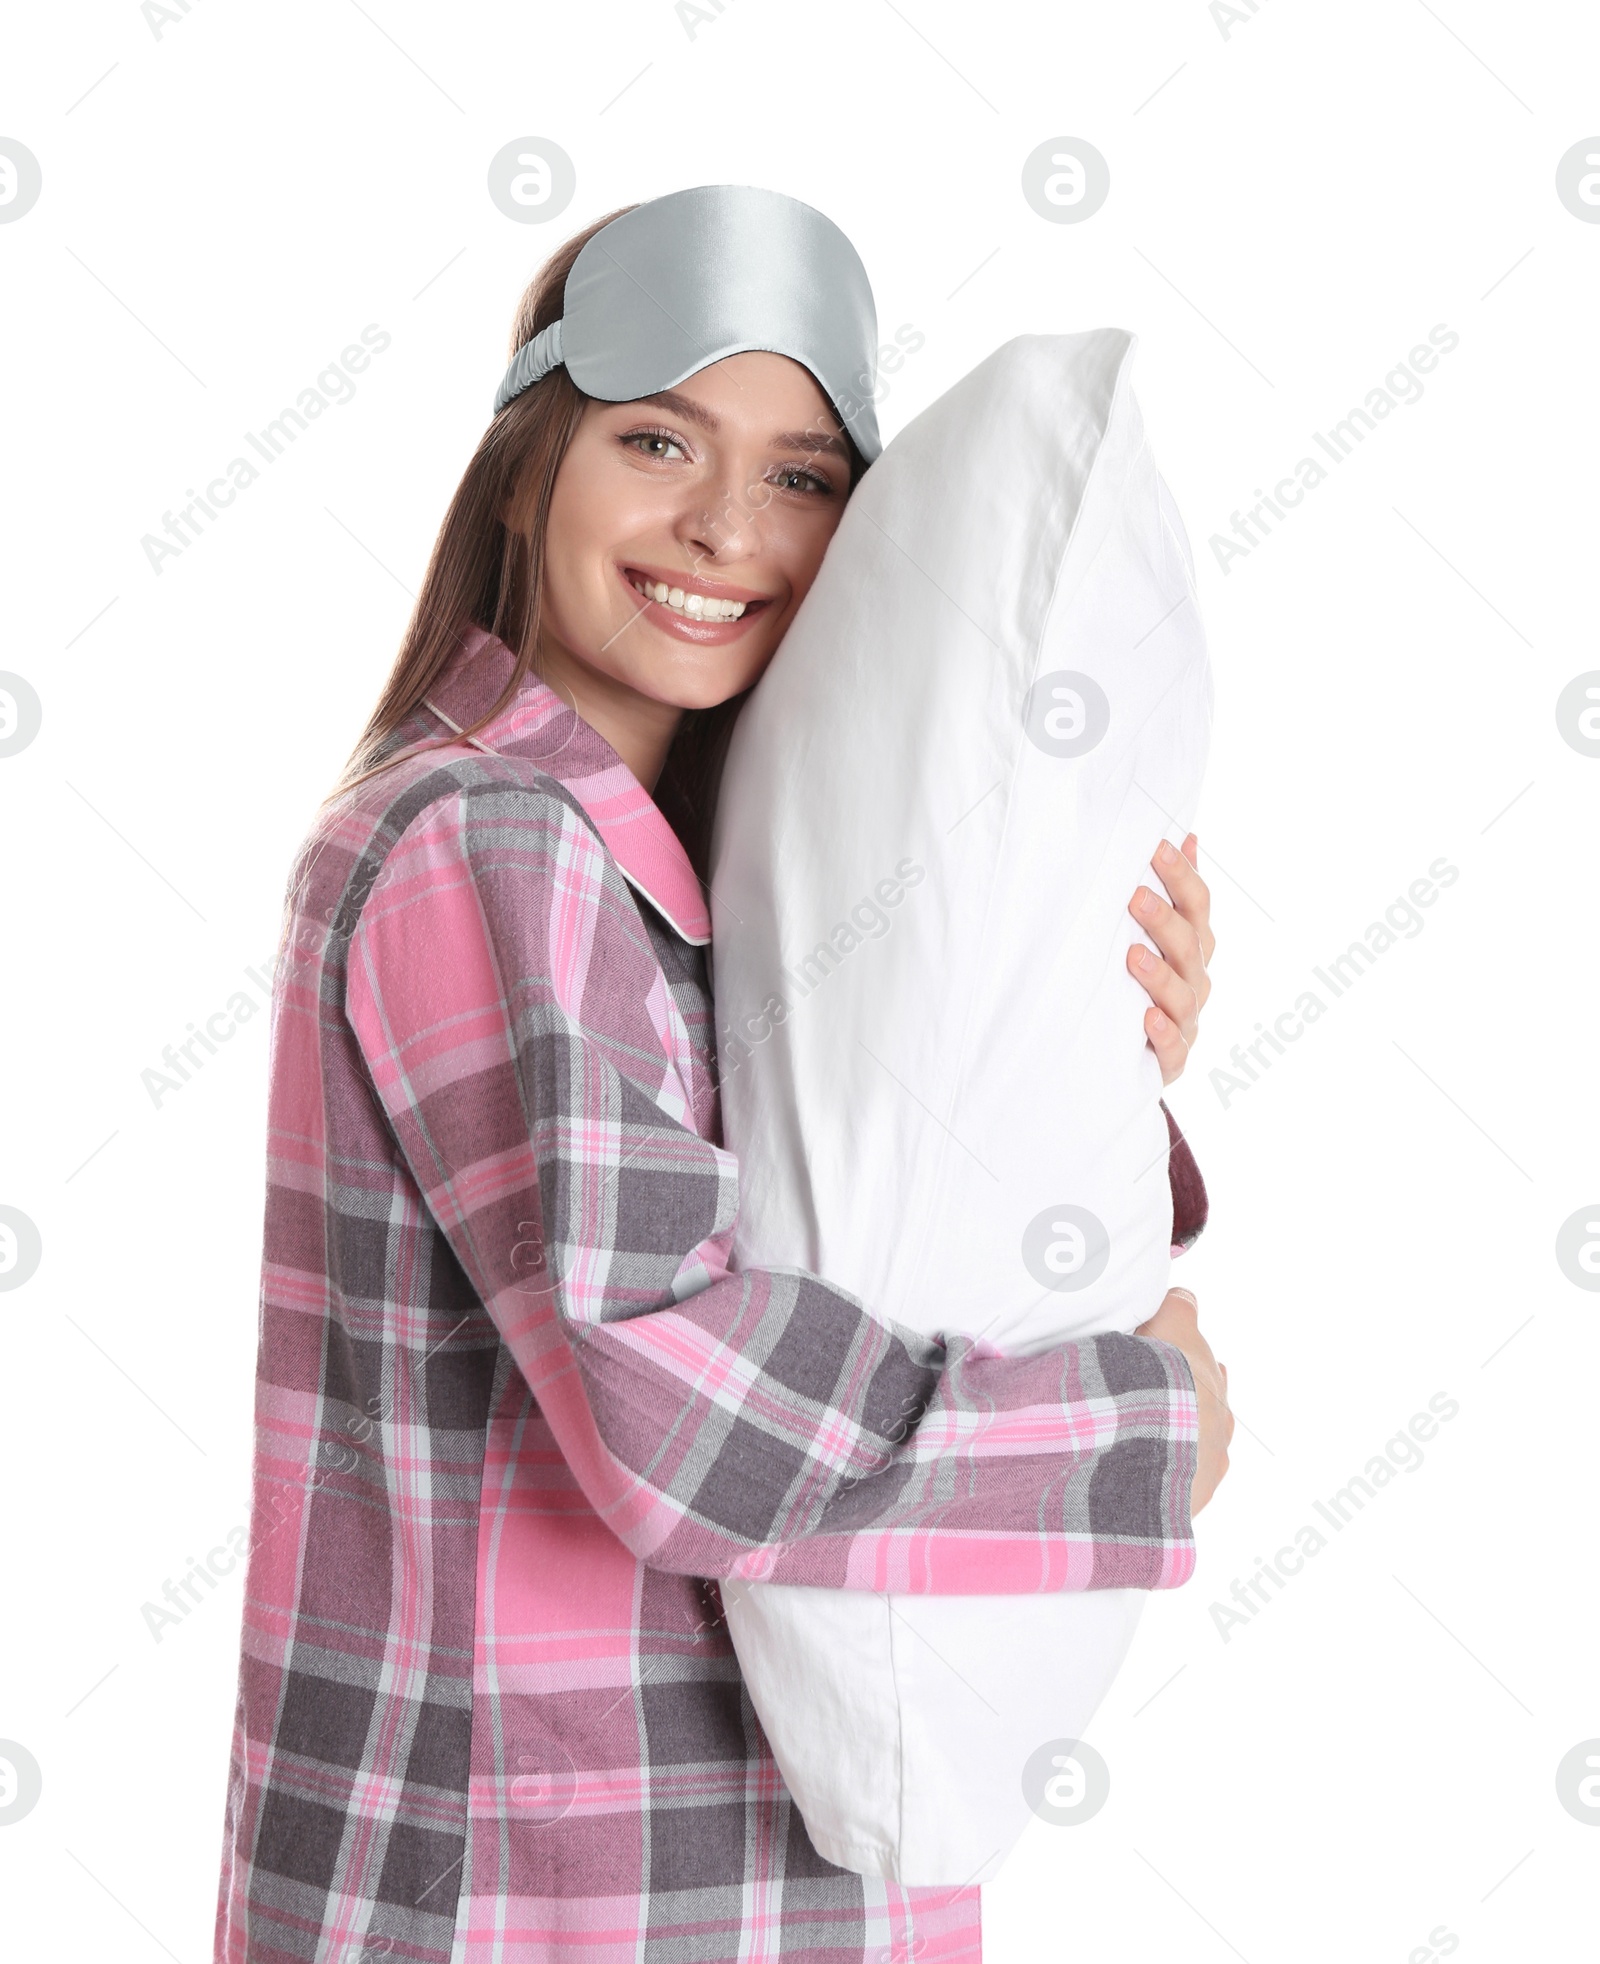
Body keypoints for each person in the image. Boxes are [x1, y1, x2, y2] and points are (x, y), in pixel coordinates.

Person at [215, 185, 1230, 1964]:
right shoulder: (487, 842)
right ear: (530, 461)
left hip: (735, 1874)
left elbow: (840, 1187)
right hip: (552, 1889)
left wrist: (1107, 1054)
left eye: (802, 476)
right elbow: (659, 1396)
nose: (724, 525)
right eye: (659, 436)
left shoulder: (684, 867)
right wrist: (1132, 1434)